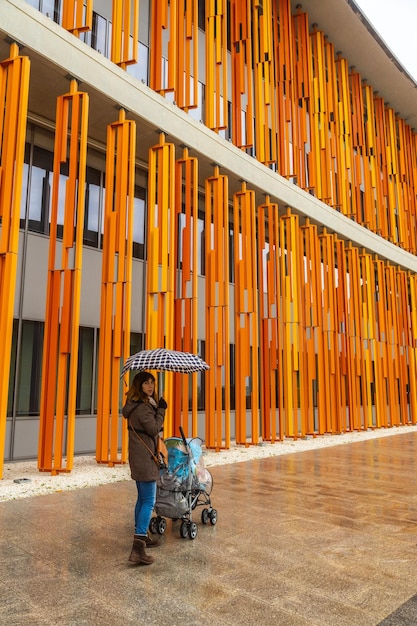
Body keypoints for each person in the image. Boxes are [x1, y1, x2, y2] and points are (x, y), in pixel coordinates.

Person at [122, 371, 167, 565]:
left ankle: (142, 536)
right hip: (145, 458)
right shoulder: (143, 408)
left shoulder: (134, 405)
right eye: (147, 384)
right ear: (139, 386)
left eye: (153, 384)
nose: (151, 387)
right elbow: (154, 429)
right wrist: (162, 410)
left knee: (142, 499)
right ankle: (138, 548)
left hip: (138, 457)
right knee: (149, 500)